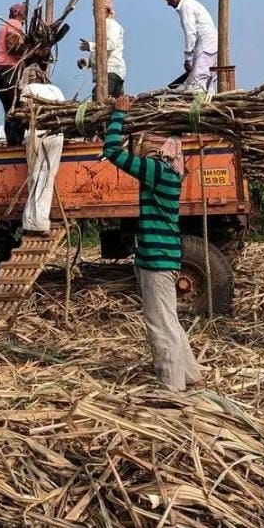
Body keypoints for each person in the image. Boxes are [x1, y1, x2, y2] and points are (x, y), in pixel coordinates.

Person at [102, 95, 202, 390]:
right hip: (161, 258)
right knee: (169, 319)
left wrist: (119, 115)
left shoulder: (157, 171)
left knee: (159, 325)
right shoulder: (170, 173)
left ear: (159, 150)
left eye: (146, 143)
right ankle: (191, 375)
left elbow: (111, 152)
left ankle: (172, 387)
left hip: (157, 260)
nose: (141, 147)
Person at [19, 67, 65, 236]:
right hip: (57, 135)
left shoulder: (28, 89)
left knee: (35, 176)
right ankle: (39, 221)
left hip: (37, 133)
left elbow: (24, 113)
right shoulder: (56, 90)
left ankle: (35, 223)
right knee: (47, 177)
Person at [163, 0, 218, 93]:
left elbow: (190, 33)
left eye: (167, 0)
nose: (168, 4)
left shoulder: (186, 7)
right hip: (209, 45)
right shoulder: (191, 4)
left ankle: (200, 109)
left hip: (205, 46)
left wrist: (188, 57)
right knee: (206, 80)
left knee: (197, 83)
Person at [0, 3, 28, 146]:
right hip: (7, 68)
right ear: (18, 13)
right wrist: (30, 48)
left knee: (9, 108)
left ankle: (12, 141)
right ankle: (15, 142)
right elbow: (13, 45)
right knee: (17, 106)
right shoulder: (14, 24)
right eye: (24, 12)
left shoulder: (5, 25)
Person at [77, 0, 126, 99]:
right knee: (104, 99)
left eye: (97, 9)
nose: (94, 12)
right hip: (107, 73)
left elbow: (110, 45)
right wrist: (88, 62)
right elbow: (101, 54)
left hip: (111, 72)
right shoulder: (101, 27)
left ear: (107, 11)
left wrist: (90, 46)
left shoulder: (111, 24)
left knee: (100, 98)